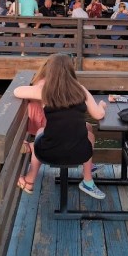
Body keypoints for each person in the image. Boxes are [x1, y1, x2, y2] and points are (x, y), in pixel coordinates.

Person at [13, 53, 107, 199]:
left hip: (48, 153)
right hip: (80, 155)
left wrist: (39, 86)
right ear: (71, 70)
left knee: (41, 132)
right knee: (88, 133)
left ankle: (30, 180)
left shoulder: (45, 91)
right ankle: (87, 180)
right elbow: (99, 115)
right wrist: (101, 105)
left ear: (49, 71)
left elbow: (17, 91)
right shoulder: (80, 90)